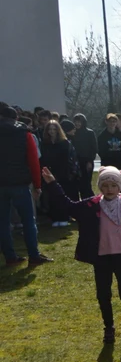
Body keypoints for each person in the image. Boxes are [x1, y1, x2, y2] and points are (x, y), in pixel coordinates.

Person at [42, 165, 121, 343]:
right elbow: (67, 206)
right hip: (101, 258)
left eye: (113, 185)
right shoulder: (89, 206)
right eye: (105, 185)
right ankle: (108, 327)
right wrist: (52, 184)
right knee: (103, 294)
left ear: (120, 187)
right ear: (100, 187)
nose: (109, 189)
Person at [0, 104, 50, 266]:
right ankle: (34, 255)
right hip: (20, 183)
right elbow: (33, 161)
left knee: (3, 222)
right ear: (16, 118)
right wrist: (37, 184)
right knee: (29, 220)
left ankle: (10, 256)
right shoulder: (24, 134)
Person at [39, 120, 78, 227]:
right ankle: (55, 217)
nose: (52, 131)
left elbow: (68, 160)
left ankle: (64, 217)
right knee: (51, 196)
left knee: (62, 195)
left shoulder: (64, 143)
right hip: (49, 173)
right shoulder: (45, 143)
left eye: (54, 129)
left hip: (63, 173)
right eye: (50, 129)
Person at [98, 113, 121, 197]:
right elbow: (101, 151)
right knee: (115, 185)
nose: (112, 123)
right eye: (110, 121)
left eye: (114, 121)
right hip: (109, 164)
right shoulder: (102, 136)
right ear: (106, 122)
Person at [70, 114, 98, 199]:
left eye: (79, 122)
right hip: (75, 162)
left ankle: (90, 202)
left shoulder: (89, 133)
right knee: (77, 185)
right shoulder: (73, 133)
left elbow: (94, 148)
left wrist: (90, 161)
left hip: (86, 162)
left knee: (86, 185)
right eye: (76, 122)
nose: (77, 124)